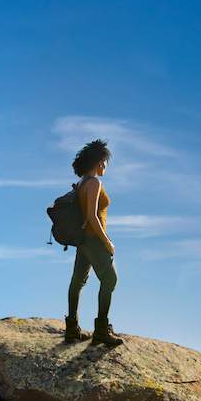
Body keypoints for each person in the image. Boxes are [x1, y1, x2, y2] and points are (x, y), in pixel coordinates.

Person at [63, 139, 123, 346]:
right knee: (110, 280)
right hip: (93, 239)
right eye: (105, 162)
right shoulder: (95, 182)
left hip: (82, 241)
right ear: (99, 162)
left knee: (77, 282)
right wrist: (107, 242)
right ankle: (101, 330)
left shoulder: (80, 183)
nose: (106, 166)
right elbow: (91, 216)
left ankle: (71, 328)